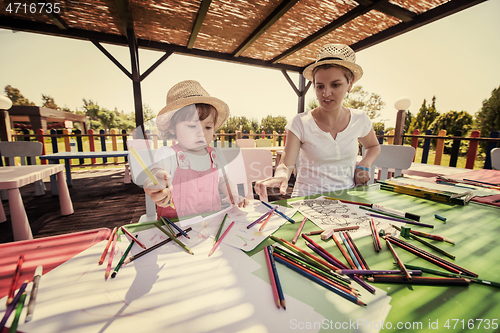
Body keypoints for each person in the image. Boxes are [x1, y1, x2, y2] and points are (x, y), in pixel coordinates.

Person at [255, 44, 380, 200]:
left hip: (346, 199)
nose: (325, 93)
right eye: (319, 86)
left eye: (335, 84)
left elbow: (373, 146)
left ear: (350, 83)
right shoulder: (300, 122)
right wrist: (281, 176)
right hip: (306, 201)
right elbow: (286, 165)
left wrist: (364, 164)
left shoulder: (360, 119)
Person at [144, 80, 248, 219]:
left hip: (211, 220)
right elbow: (157, 172)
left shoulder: (216, 155)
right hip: (174, 225)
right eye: (193, 126)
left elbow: (223, 180)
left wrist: (233, 194)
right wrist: (155, 184)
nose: (201, 133)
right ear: (172, 128)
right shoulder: (168, 154)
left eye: (208, 127)